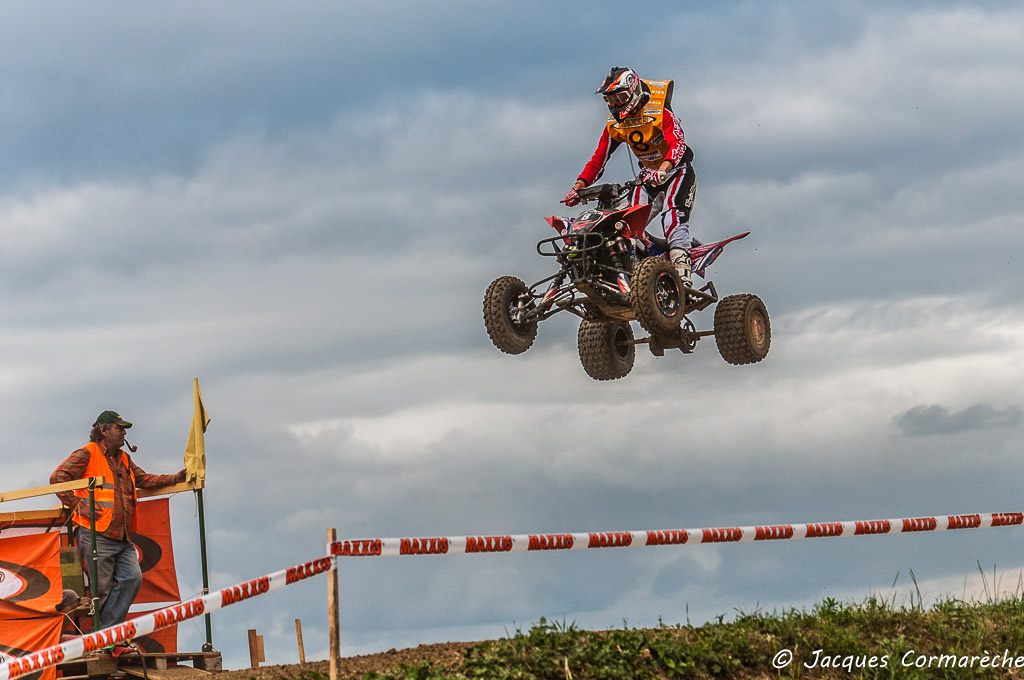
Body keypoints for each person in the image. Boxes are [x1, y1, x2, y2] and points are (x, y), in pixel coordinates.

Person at [562, 66, 697, 286]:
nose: (616, 104)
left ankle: (682, 273)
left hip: (676, 172)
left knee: (672, 219)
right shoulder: (614, 124)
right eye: (610, 99)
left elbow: (678, 144)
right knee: (625, 225)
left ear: (634, 91)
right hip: (646, 177)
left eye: (620, 97)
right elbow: (598, 159)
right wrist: (578, 187)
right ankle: (631, 272)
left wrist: (663, 169)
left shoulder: (659, 111)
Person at [51, 410, 185, 630]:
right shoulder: (87, 453)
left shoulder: (123, 458)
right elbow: (58, 477)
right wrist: (78, 506)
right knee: (101, 591)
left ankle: (105, 634)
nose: (124, 433)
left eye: (124, 429)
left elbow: (143, 479)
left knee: (132, 579)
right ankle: (104, 637)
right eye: (119, 428)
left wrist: (174, 478)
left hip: (121, 536)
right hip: (96, 533)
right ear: (104, 430)